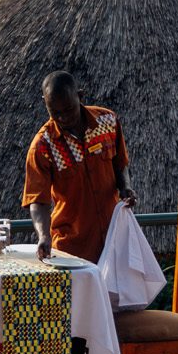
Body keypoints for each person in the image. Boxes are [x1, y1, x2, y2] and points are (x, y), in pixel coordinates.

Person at [22, 70, 134, 264]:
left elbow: (120, 162)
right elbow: (38, 200)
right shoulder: (43, 146)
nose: (63, 117)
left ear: (80, 96)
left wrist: (125, 186)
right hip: (72, 250)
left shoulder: (108, 122)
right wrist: (43, 236)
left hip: (114, 241)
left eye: (68, 109)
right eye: (55, 112)